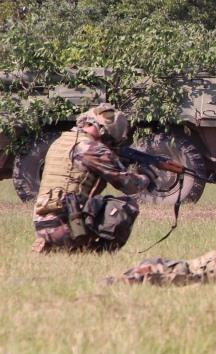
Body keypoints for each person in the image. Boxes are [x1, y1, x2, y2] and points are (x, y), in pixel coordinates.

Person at [32, 104, 154, 253]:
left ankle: (52, 244)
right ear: (104, 132)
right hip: (68, 225)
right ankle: (95, 252)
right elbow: (128, 185)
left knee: (86, 200)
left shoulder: (61, 142)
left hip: (41, 223)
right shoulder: (93, 148)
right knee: (126, 205)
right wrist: (146, 177)